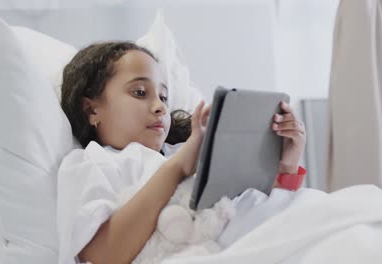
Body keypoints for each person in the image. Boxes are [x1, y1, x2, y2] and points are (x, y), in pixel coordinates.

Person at [57, 41, 306, 264]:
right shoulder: (91, 163)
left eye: (164, 97)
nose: (159, 107)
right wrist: (177, 168)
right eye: (140, 93)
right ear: (92, 110)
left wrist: (286, 165)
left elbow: (257, 208)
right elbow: (103, 257)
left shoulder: (186, 151)